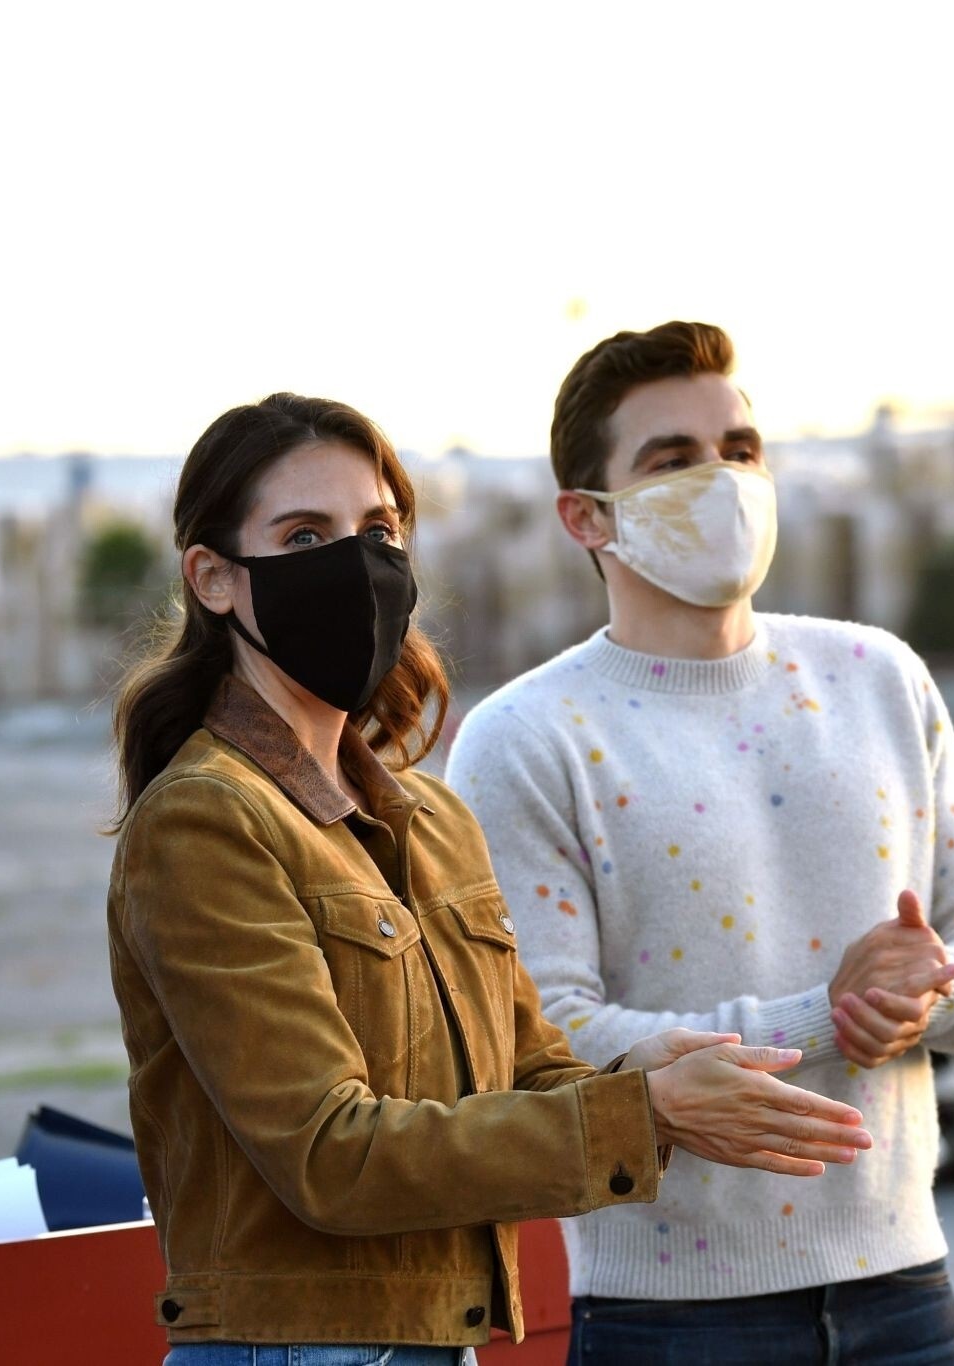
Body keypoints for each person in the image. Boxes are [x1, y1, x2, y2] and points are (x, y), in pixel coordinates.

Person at [105, 392, 873, 1365]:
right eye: (304, 535)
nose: (354, 563)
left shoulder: (430, 820)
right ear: (213, 578)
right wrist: (644, 1112)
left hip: (436, 1342)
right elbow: (329, 1155)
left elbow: (522, 1073)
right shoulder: (206, 820)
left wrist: (650, 1075)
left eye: (378, 530)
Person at [446, 322, 954, 1365]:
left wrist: (928, 993)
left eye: (740, 448)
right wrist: (829, 1016)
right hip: (667, 1319)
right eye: (672, 459)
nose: (721, 480)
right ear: (586, 516)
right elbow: (541, 1038)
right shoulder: (527, 737)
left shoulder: (880, 678)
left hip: (905, 1293)